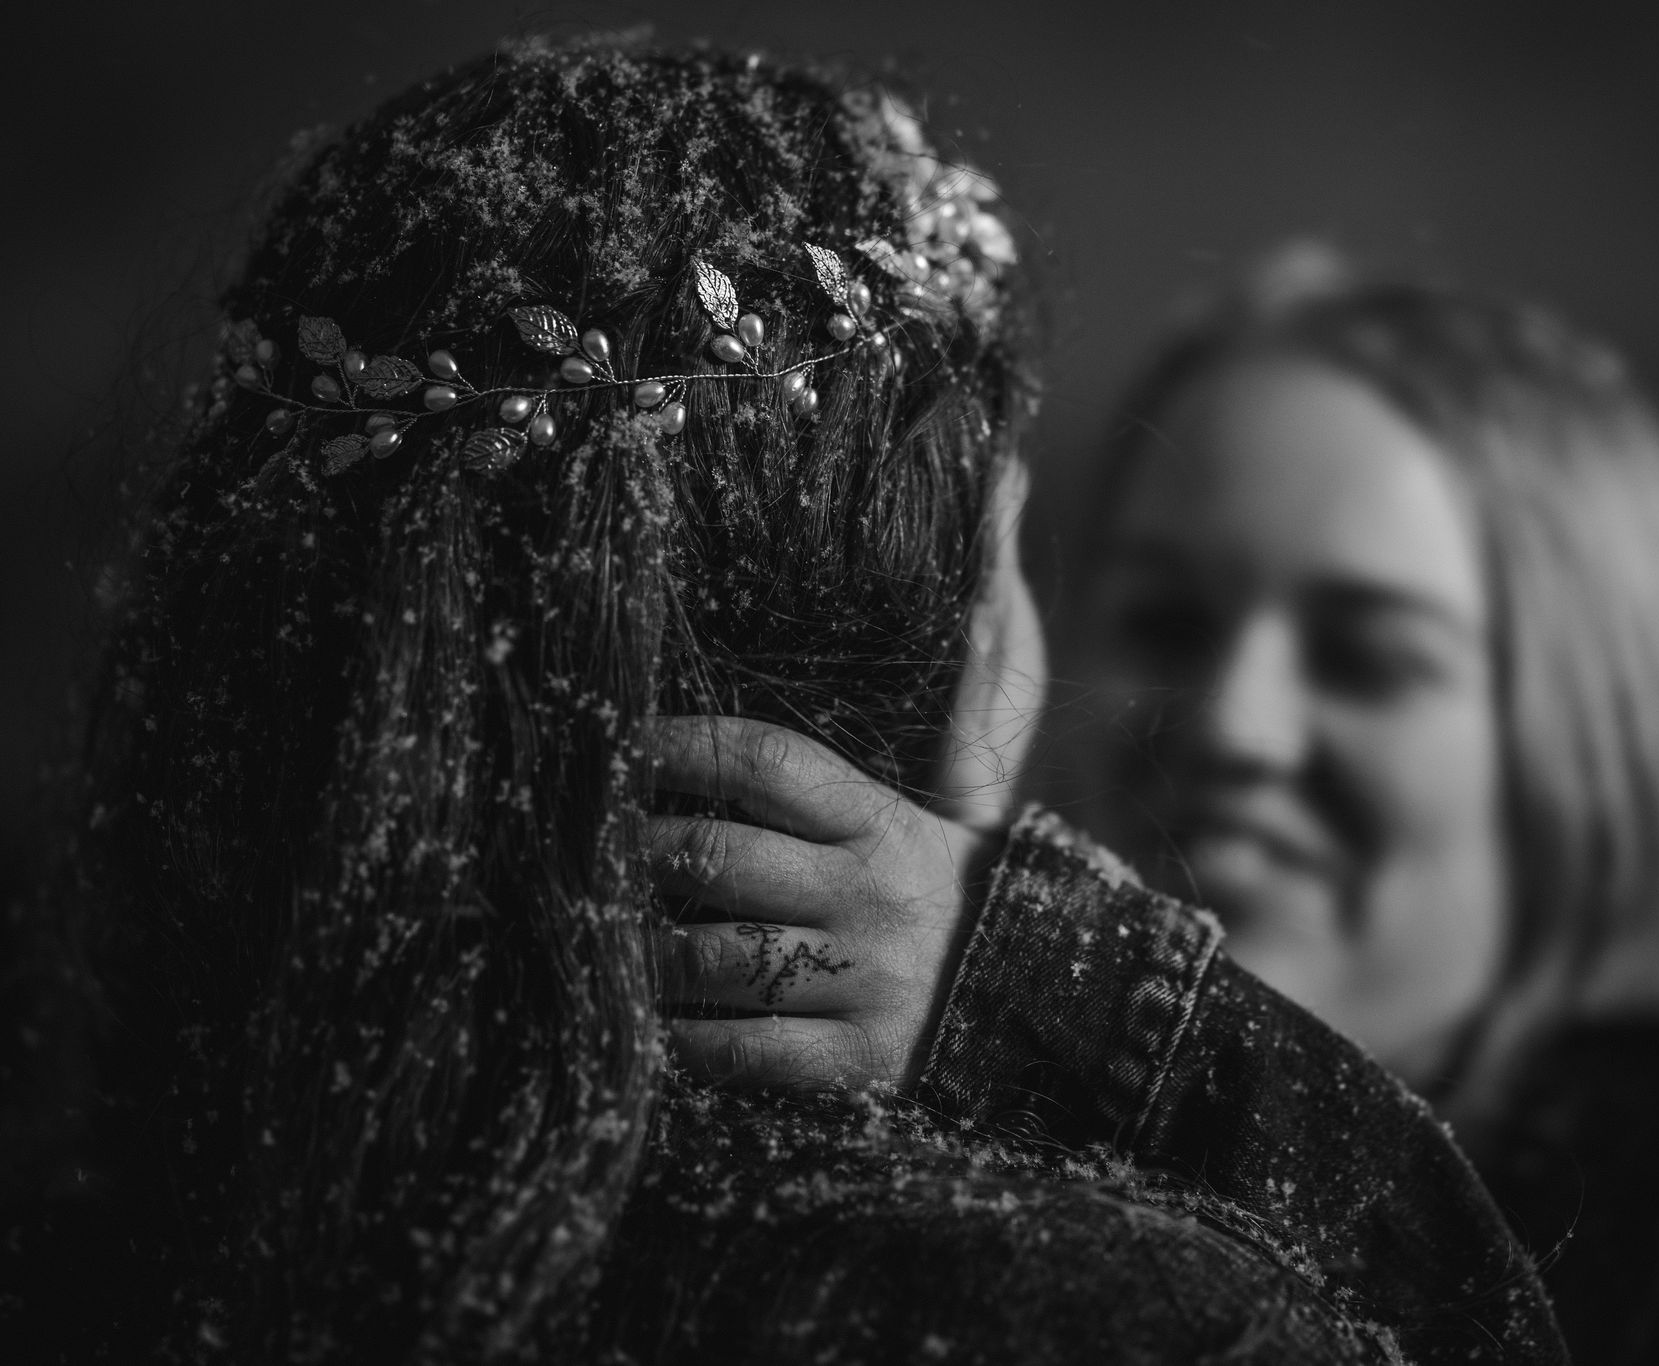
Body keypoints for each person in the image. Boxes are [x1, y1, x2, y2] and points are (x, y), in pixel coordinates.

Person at [2, 41, 1571, 1365]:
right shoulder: (1120, 1311)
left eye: (1375, 651)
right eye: (1037, 552)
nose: (1233, 725)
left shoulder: (108, 1237)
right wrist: (1080, 999)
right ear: (958, 632)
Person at [691, 252, 1659, 1363]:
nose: (1232, 726)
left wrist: (1065, 1013)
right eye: (1163, 622)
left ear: (1603, 733)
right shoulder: (922, 1035)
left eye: (1369, 654)